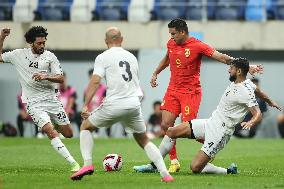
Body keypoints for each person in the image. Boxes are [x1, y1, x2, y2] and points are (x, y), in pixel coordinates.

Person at [146, 18, 263, 173]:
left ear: (182, 31)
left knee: (186, 127)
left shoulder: (197, 45)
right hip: (173, 90)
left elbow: (222, 57)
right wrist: (155, 72)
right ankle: (172, 161)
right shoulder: (171, 44)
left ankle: (213, 143)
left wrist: (247, 67)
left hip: (190, 92)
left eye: (173, 33)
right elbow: (167, 58)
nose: (171, 37)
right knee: (166, 126)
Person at [134, 58, 281, 174]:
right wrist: (270, 101)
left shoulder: (244, 91)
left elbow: (258, 113)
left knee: (195, 168)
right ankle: (154, 165)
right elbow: (258, 90)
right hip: (211, 122)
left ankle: (228, 171)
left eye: (231, 68)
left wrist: (252, 122)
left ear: (239, 71)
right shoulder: (247, 82)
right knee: (171, 131)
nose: (229, 70)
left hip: (221, 132)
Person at [70, 27, 174, 182]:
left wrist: (86, 105)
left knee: (85, 126)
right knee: (144, 140)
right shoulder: (131, 57)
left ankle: (87, 165)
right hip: (133, 104)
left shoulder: (103, 57)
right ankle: (165, 174)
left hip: (115, 103)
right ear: (121, 39)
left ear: (106, 41)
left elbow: (96, 80)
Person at [0, 26, 80, 172]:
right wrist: (2, 37)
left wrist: (46, 75)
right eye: (39, 43)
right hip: (33, 102)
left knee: (69, 134)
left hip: (52, 100)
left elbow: (61, 78)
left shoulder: (50, 56)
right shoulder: (18, 54)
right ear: (31, 43)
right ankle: (74, 164)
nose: (42, 45)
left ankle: (51, 124)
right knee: (51, 132)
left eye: (44, 42)